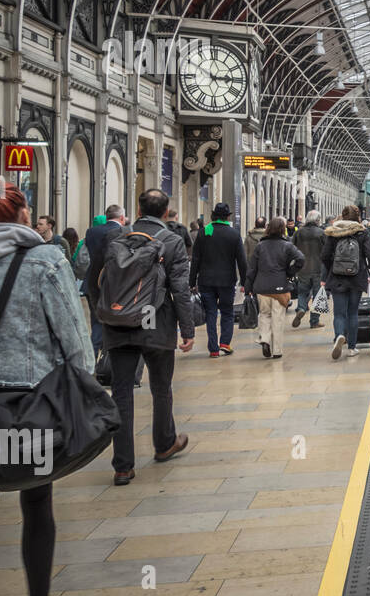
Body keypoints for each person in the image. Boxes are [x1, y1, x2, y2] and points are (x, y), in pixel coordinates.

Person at [0, 173, 92, 596]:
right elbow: (75, 339)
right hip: (33, 408)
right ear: (24, 212)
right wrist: (86, 392)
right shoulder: (47, 262)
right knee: (36, 505)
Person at [92, 188, 192, 485]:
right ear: (165, 212)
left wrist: (109, 312)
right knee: (161, 388)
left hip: (119, 321)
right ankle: (164, 444)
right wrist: (187, 330)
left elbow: (98, 278)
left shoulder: (116, 237)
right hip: (155, 322)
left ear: (137, 209)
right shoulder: (172, 241)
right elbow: (180, 290)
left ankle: (123, 466)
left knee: (121, 392)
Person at [188, 202, 248, 358]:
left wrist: (192, 281)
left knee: (211, 314)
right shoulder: (234, 234)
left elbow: (195, 259)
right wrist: (245, 282)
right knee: (227, 312)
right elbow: (241, 260)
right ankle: (225, 344)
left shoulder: (204, 232)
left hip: (206, 281)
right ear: (227, 217)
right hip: (227, 281)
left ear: (213, 215)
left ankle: (213, 348)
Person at [320, 204, 370, 360]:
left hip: (337, 277)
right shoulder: (361, 232)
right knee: (353, 313)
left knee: (339, 313)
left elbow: (324, 255)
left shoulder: (333, 232)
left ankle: (339, 336)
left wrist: (333, 267)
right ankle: (352, 347)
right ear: (357, 216)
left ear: (342, 216)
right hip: (357, 277)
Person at [246, 217, 304, 359]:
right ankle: (277, 350)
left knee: (264, 314)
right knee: (278, 318)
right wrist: (290, 271)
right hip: (280, 286)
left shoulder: (261, 245)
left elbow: (252, 268)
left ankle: (265, 339)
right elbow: (301, 259)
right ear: (283, 229)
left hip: (262, 286)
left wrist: (248, 287)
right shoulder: (287, 245)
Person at [82, 205, 127, 356]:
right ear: (121, 218)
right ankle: (107, 359)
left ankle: (92, 355)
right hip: (113, 284)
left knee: (96, 322)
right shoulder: (121, 232)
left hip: (92, 281)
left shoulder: (91, 232)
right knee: (114, 323)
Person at [292, 210, 326, 328]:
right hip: (318, 267)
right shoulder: (321, 233)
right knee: (318, 296)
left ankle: (301, 308)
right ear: (317, 220)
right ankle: (314, 321)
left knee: (302, 292)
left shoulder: (299, 232)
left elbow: (292, 248)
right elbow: (326, 252)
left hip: (303, 267)